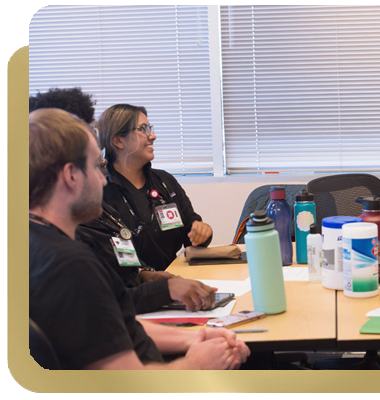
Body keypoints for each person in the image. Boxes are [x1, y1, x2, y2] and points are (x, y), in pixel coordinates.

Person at [29, 108, 250, 370]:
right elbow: (129, 387)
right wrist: (196, 364)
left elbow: (118, 324)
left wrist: (192, 339)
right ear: (71, 175)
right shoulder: (70, 265)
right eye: (97, 167)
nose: (103, 179)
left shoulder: (32, 242)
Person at [29, 88, 217, 313]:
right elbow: (107, 306)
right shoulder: (69, 242)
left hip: (160, 293)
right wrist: (163, 288)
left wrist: (142, 275)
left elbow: (119, 277)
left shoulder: (163, 182)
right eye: (143, 129)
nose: (103, 179)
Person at [97, 103, 213, 271]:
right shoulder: (100, 191)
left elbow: (191, 233)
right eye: (143, 129)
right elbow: (109, 258)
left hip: (175, 280)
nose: (153, 136)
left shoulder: (164, 181)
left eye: (150, 128)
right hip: (130, 288)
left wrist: (202, 232)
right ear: (118, 140)